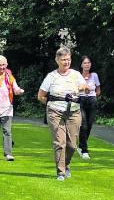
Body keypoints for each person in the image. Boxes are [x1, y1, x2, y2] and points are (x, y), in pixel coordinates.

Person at [37, 46, 88, 181]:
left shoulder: (76, 75)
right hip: (55, 112)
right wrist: (52, 104)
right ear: (57, 60)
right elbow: (41, 96)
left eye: (68, 59)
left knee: (72, 145)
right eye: (63, 60)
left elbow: (85, 89)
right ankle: (60, 172)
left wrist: (84, 87)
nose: (66, 62)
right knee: (60, 142)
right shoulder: (51, 76)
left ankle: (65, 165)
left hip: (74, 112)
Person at [77, 56, 101, 159]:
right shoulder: (77, 76)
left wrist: (95, 95)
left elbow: (98, 90)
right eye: (85, 63)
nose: (87, 64)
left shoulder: (94, 75)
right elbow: (75, 89)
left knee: (89, 125)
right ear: (81, 65)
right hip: (81, 101)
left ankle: (81, 145)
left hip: (92, 101)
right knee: (84, 125)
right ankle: (84, 150)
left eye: (89, 62)